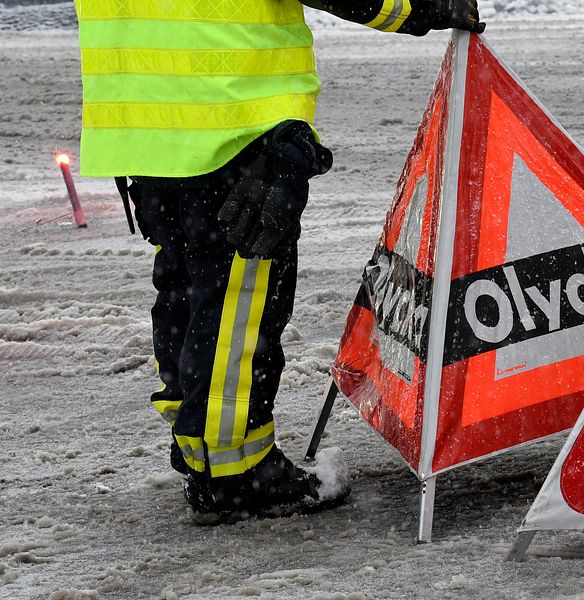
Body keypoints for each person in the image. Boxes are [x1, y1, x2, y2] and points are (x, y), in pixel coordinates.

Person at [73, 0, 485, 522]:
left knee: (185, 292)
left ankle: (199, 443)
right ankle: (233, 474)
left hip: (145, 120)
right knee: (237, 306)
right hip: (231, 118)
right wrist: (419, 7)